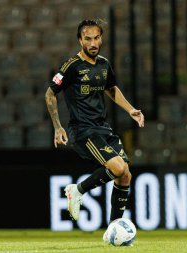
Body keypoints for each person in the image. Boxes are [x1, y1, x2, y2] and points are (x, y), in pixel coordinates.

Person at [45, 19, 144, 227]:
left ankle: (114, 228)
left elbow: (111, 89)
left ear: (101, 38)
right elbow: (50, 94)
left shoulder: (104, 64)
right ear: (80, 40)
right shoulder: (71, 66)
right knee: (118, 167)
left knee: (125, 175)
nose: (93, 43)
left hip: (103, 129)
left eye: (96, 38)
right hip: (83, 131)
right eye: (88, 39)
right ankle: (77, 190)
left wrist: (131, 110)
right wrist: (57, 127)